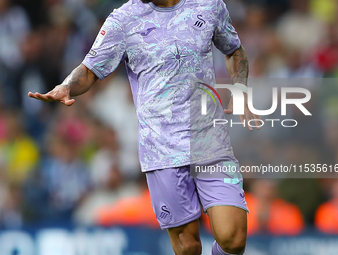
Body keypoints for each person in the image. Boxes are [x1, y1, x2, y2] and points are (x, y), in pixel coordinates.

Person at [28, 0, 261, 254]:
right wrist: (66, 85)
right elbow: (88, 70)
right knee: (188, 247)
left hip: (210, 140)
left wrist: (239, 87)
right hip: (161, 148)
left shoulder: (209, 5)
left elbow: (234, 51)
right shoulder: (123, 19)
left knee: (234, 238)